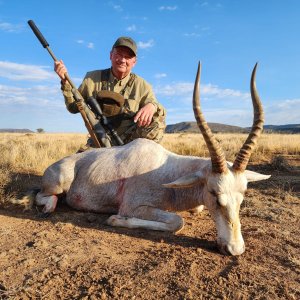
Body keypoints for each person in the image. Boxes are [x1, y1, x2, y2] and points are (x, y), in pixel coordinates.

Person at [54, 36, 166, 147]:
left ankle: (143, 159)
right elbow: (73, 107)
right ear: (110, 55)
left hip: (130, 144)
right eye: (119, 54)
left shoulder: (143, 86)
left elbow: (155, 106)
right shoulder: (91, 78)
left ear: (134, 62)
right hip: (100, 140)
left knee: (155, 119)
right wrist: (66, 83)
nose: (122, 60)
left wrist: (152, 105)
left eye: (127, 57)